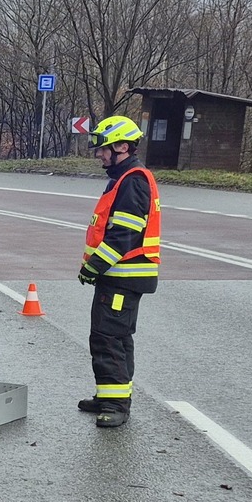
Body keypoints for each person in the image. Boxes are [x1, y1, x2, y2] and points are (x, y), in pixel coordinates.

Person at [78, 115, 161, 428]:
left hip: (123, 277)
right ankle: (110, 396)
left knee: (109, 339)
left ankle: (115, 405)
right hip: (118, 277)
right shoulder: (123, 178)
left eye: (104, 148)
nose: (100, 154)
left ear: (123, 147)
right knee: (113, 337)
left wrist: (94, 266)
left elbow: (124, 235)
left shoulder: (132, 180)